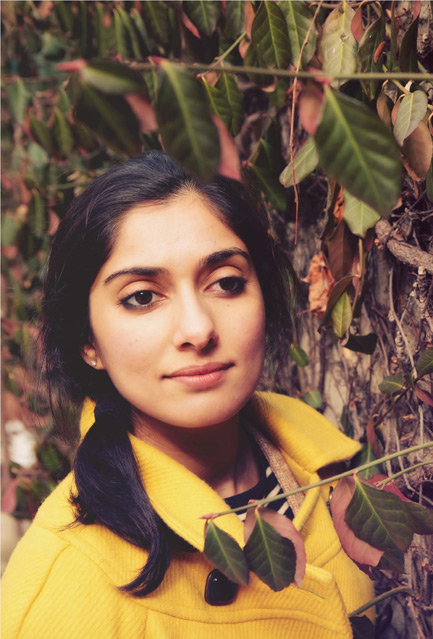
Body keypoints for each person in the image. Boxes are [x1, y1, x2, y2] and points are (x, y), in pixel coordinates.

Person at [1, 151, 373, 638]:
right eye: (141, 296)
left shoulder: (330, 473)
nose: (198, 329)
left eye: (226, 283)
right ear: (88, 342)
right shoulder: (58, 588)